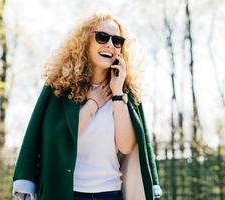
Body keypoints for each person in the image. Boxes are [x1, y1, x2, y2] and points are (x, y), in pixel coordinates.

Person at [12, 11, 162, 200]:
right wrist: (93, 103)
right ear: (84, 42)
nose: (110, 44)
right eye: (102, 37)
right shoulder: (59, 87)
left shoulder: (125, 91)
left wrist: (117, 94)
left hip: (111, 194)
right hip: (67, 194)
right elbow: (59, 136)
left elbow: (126, 147)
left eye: (117, 40)